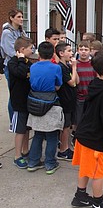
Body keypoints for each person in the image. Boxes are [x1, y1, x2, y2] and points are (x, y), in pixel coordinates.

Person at [71, 50, 103, 208]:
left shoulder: (94, 84)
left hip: (84, 135)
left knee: (85, 169)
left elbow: (88, 109)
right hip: (95, 139)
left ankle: (80, 196)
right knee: (98, 174)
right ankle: (98, 204)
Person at [27, 41, 63, 174]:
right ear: (52, 53)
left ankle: (33, 161)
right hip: (51, 103)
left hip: (35, 101)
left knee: (38, 134)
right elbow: (58, 86)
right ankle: (50, 163)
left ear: (39, 54)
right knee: (52, 135)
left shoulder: (33, 67)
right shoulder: (56, 67)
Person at [7, 36, 33, 168]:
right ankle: (17, 155)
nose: (32, 50)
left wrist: (24, 60)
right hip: (18, 102)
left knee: (27, 128)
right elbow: (21, 73)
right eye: (30, 48)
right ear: (22, 49)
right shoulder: (13, 62)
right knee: (20, 129)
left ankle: (25, 150)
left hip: (28, 100)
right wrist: (21, 59)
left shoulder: (28, 62)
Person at [1, 9, 26, 131]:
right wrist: (24, 53)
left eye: (22, 17)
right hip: (11, 67)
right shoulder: (7, 33)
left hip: (21, 64)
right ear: (11, 18)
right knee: (14, 95)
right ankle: (13, 122)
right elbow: (11, 51)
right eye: (19, 16)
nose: (22, 19)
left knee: (20, 93)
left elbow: (27, 44)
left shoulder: (21, 31)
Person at [55, 42, 79, 161]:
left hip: (71, 100)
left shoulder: (67, 66)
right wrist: (74, 67)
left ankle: (67, 147)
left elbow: (77, 80)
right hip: (65, 100)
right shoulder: (61, 67)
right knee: (65, 126)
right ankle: (63, 150)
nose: (71, 53)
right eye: (69, 51)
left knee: (68, 126)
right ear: (61, 53)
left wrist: (74, 68)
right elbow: (72, 82)